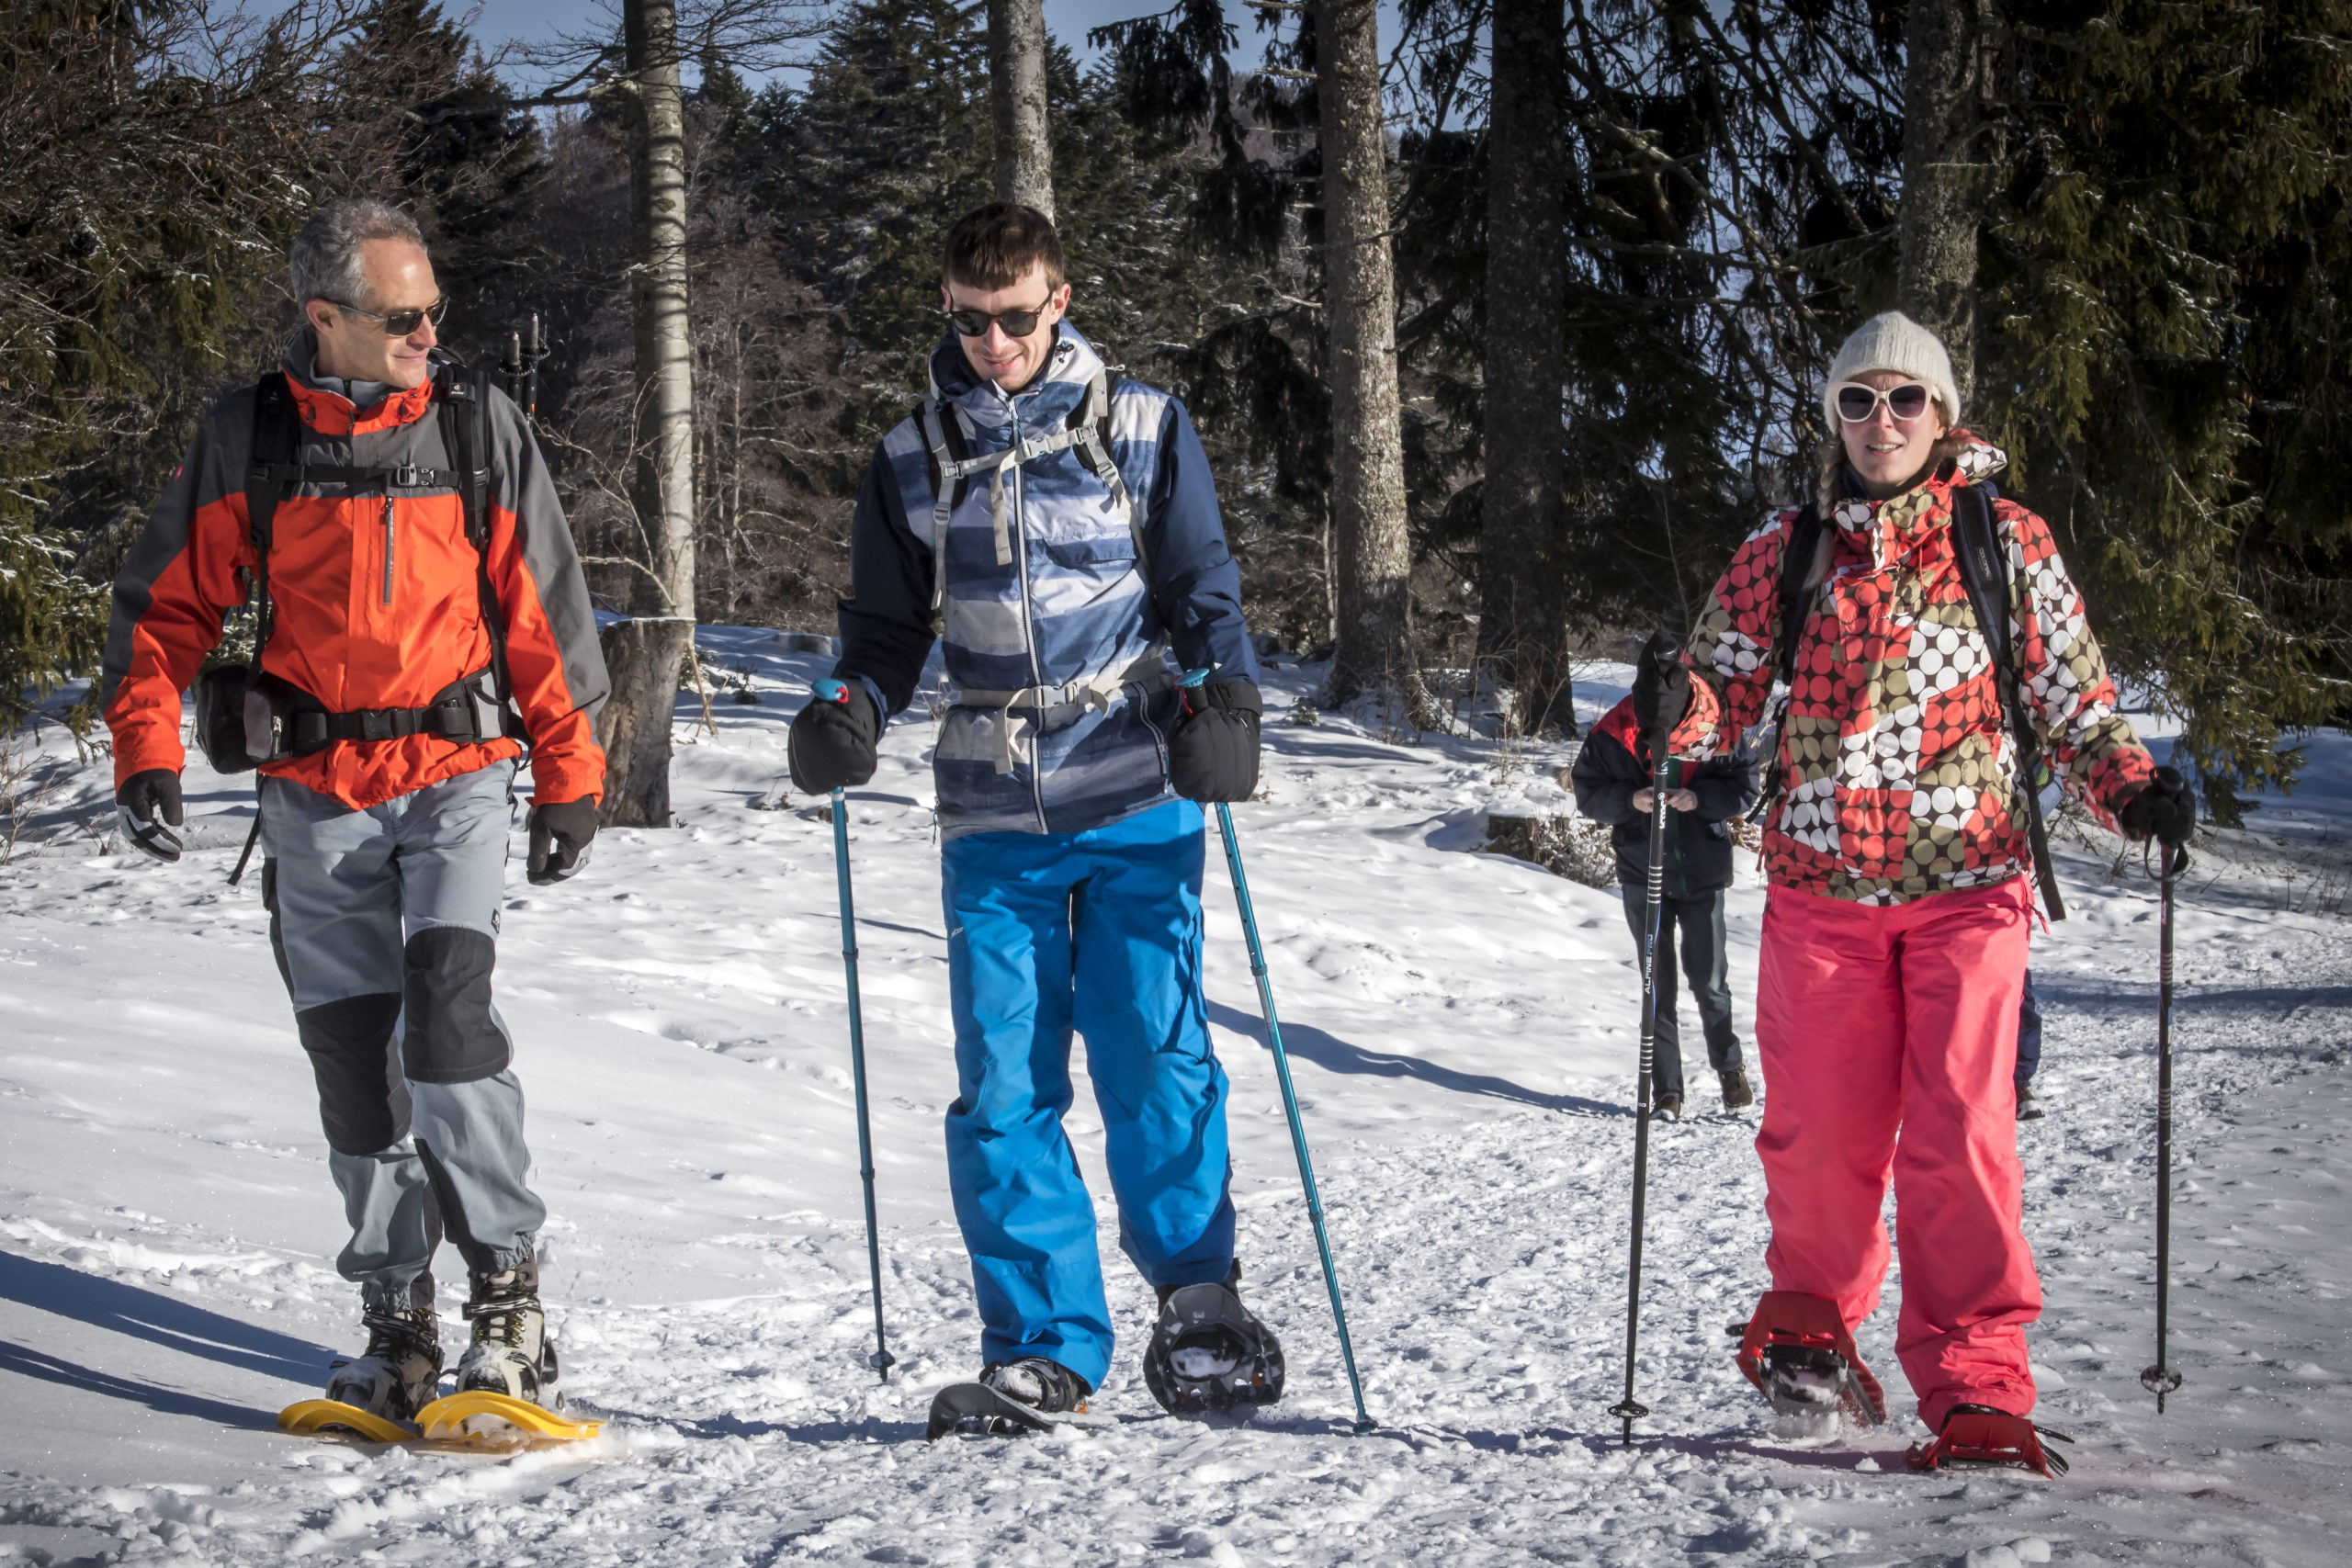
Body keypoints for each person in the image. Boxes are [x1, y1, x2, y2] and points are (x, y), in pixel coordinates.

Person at [1638, 310, 2196, 1474]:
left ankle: (1975, 1383)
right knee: (1815, 1139)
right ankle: (1812, 1330)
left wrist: (2130, 790)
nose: (1880, 421)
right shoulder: (1785, 548)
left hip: (1970, 887)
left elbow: (2071, 697)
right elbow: (1717, 691)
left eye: (1904, 400)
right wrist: (1648, 718)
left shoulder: (2004, 540)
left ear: (1942, 417)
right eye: (1857, 400)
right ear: (1831, 416)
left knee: (1961, 1137)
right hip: (1819, 886)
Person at [103, 198, 608, 1421]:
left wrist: (572, 771)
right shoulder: (253, 438)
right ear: (324, 317)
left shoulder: (473, 428)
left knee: (445, 1026)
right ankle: (399, 1317)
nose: (429, 334)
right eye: (402, 317)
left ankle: (507, 1301)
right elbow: (164, 606)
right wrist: (146, 747)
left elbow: (543, 605)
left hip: (455, 771)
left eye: (435, 312)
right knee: (351, 1067)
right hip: (311, 794)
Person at [786, 203, 1276, 1426]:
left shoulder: (1144, 425)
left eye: (1016, 315)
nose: (995, 339)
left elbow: (1200, 590)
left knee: (1153, 1058)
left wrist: (1228, 708)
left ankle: (1199, 1294)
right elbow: (886, 629)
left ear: (1060, 297)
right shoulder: (914, 450)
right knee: (1004, 1085)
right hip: (992, 809)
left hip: (1136, 790)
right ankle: (1045, 1343)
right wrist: (849, 706)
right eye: (971, 318)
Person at [1569, 658, 1760, 1118]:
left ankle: (1728, 1067)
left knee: (1710, 981)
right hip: (1642, 872)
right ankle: (1667, 1092)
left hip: (1702, 871)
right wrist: (1628, 801)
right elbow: (1587, 789)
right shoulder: (1614, 733)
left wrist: (1700, 800)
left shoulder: (1718, 727)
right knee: (1658, 984)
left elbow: (1745, 786)